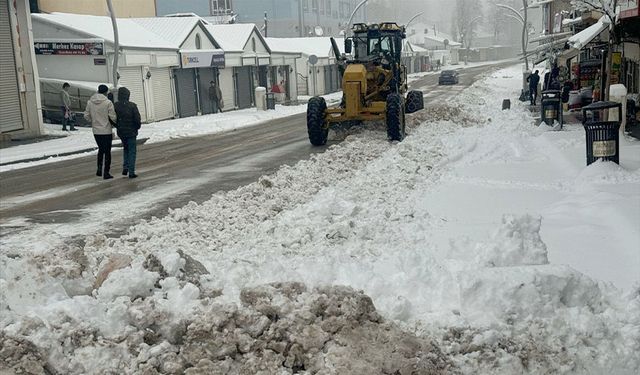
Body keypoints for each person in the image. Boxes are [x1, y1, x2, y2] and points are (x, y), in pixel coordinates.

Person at [84, 84, 116, 179]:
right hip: (106, 130)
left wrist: (93, 120)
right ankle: (106, 172)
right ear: (106, 92)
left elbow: (86, 115)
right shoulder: (108, 103)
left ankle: (99, 168)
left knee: (101, 149)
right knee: (107, 151)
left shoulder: (90, 102)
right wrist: (114, 123)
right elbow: (112, 116)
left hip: (96, 131)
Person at [114, 87, 141, 179]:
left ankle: (125, 167)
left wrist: (117, 126)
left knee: (126, 149)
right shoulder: (132, 106)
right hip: (131, 131)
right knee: (132, 151)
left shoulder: (115, 106)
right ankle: (131, 171)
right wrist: (137, 127)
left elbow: (112, 118)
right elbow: (137, 119)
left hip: (121, 131)